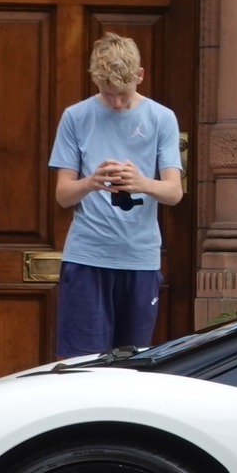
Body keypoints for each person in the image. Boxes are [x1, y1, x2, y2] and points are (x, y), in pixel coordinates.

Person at [49, 33, 183, 359]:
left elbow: (174, 192)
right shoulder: (76, 117)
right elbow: (63, 195)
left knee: (131, 362)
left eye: (123, 94)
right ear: (95, 80)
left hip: (139, 259)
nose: (117, 104)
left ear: (140, 76)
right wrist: (92, 181)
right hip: (86, 258)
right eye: (108, 94)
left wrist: (141, 182)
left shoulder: (161, 118)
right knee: (82, 363)